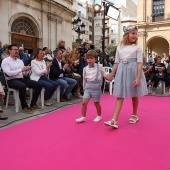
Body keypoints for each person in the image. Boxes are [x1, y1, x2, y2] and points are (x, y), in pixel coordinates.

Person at [104, 25, 147, 129]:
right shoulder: (119, 47)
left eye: (136, 34)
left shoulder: (137, 47)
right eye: (133, 33)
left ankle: (134, 114)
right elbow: (116, 62)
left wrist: (138, 77)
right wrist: (111, 74)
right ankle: (114, 120)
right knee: (120, 95)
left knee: (134, 94)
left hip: (133, 72)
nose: (135, 36)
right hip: (122, 72)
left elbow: (140, 63)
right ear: (127, 34)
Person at [1, 44, 42, 113]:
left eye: (17, 50)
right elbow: (8, 73)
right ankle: (24, 106)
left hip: (21, 79)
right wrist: (21, 70)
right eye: (15, 50)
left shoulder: (20, 61)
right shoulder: (5, 61)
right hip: (11, 80)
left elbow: (23, 74)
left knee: (38, 85)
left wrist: (27, 70)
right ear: (10, 51)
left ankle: (33, 104)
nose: (17, 51)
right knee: (22, 86)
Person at [76, 50, 107, 123]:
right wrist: (84, 88)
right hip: (88, 87)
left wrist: (108, 77)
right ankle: (83, 117)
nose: (89, 60)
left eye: (91, 58)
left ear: (95, 59)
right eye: (88, 58)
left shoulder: (99, 66)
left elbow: (104, 75)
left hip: (96, 86)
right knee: (84, 102)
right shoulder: (85, 68)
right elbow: (84, 79)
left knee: (96, 103)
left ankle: (99, 115)